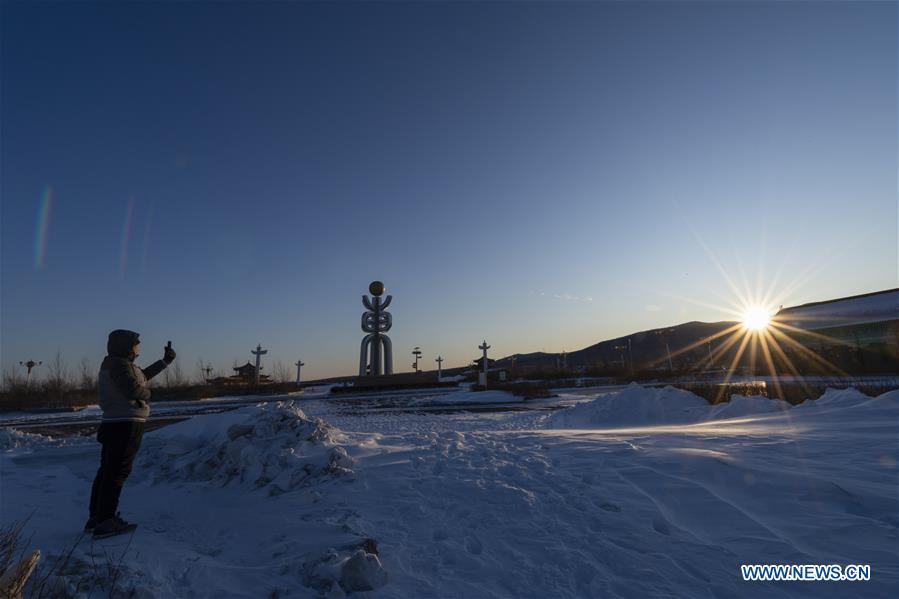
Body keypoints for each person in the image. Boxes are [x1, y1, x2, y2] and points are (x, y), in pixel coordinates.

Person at [87, 329, 175, 539]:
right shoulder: (119, 365)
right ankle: (106, 521)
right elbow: (133, 389)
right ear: (126, 346)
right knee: (116, 472)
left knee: (107, 470)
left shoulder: (116, 363)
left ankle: (98, 517)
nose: (139, 348)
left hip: (114, 423)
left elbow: (141, 376)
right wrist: (148, 395)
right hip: (124, 423)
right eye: (136, 344)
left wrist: (165, 362)